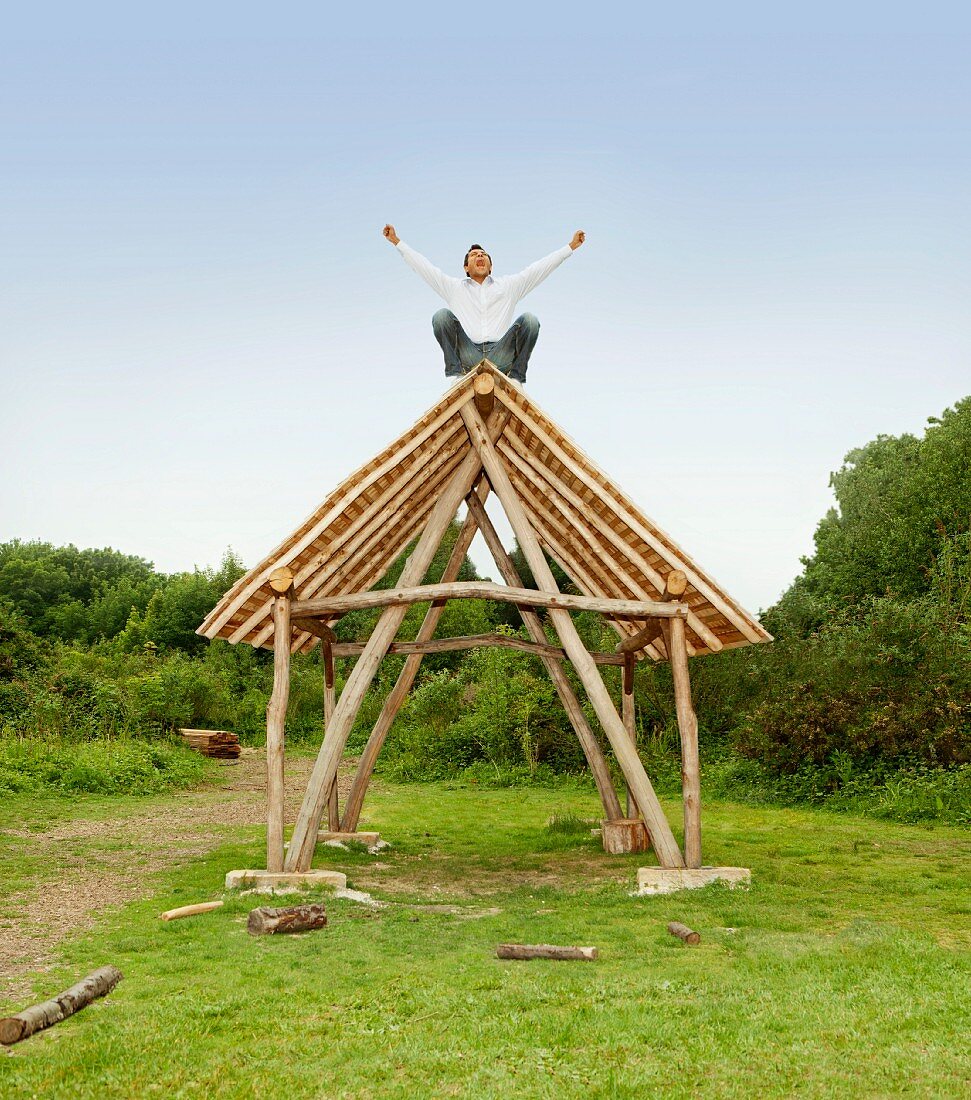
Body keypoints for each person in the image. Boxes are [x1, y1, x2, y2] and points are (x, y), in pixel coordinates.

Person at [382, 224, 586, 382]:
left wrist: (571, 247)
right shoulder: (454, 287)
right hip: (467, 353)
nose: (479, 255)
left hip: (500, 355)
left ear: (490, 266)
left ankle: (516, 377)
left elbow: (539, 269)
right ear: (466, 267)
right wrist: (396, 242)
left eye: (483, 254)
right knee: (441, 316)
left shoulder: (508, 286)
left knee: (530, 321)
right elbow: (423, 267)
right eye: (473, 255)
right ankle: (457, 374)